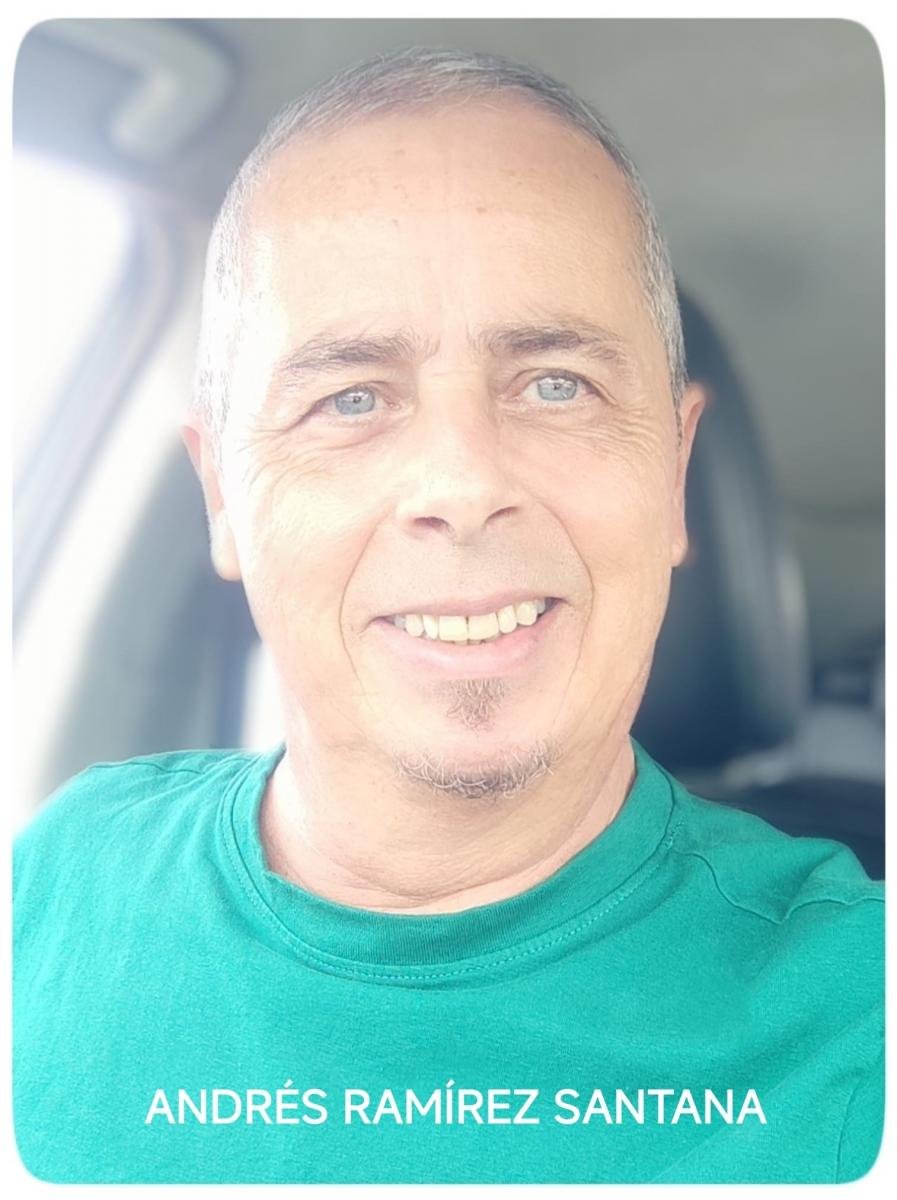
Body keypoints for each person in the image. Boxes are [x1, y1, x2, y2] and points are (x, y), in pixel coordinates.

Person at [13, 47, 883, 1185]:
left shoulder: (856, 1014)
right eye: (350, 398)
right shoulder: (59, 875)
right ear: (223, 496)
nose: (463, 484)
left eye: (557, 384)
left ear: (673, 474)